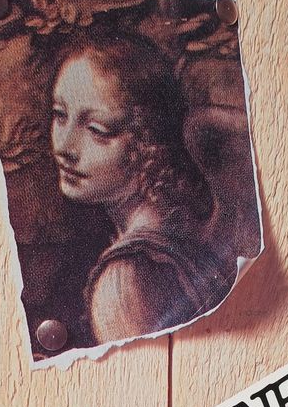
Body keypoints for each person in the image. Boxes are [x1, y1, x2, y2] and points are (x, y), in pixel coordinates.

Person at [50, 31, 237, 345]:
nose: (64, 147)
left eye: (96, 130)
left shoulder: (123, 281)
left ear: (146, 142)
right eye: (59, 115)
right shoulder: (182, 228)